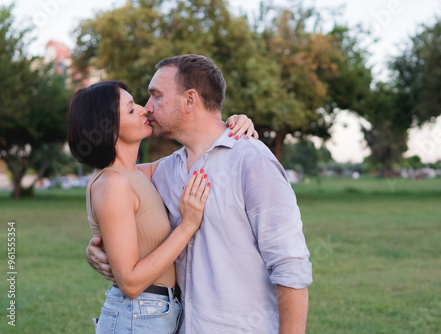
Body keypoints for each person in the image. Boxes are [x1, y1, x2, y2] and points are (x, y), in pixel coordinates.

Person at [87, 54, 313, 334]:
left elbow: (291, 267)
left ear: (190, 100)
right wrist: (99, 246)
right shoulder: (166, 171)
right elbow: (114, 182)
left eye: (156, 96)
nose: (147, 108)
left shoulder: (252, 161)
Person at [67, 80, 257, 333]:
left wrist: (233, 123)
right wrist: (188, 225)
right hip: (138, 315)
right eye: (131, 109)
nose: (145, 109)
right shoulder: (113, 183)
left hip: (156, 313)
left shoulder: (138, 174)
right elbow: (131, 283)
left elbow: (200, 148)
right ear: (109, 128)